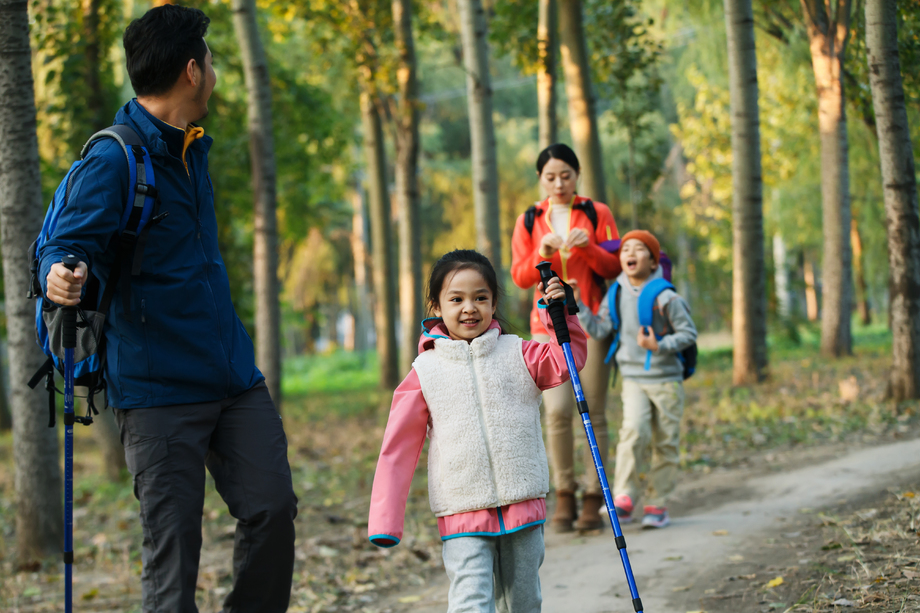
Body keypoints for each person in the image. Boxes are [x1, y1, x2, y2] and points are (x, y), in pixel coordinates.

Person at [39, 6, 297, 611]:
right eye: (210, 59)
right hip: (157, 393)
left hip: (232, 377)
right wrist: (59, 272)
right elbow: (63, 244)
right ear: (191, 70)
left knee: (272, 510)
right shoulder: (113, 160)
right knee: (173, 559)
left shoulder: (190, 146)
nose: (214, 70)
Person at [368, 250, 587, 613]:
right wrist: (385, 520)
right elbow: (397, 450)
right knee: (470, 602)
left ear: (494, 303)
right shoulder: (425, 372)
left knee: (523, 602)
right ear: (436, 306)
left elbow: (567, 362)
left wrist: (560, 316)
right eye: (456, 299)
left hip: (522, 502)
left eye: (480, 298)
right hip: (461, 509)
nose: (469, 308)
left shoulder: (520, 354)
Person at [510, 143, 622, 532]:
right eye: (550, 177)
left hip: (590, 324)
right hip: (546, 327)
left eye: (566, 175)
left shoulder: (597, 213)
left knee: (595, 411)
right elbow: (520, 276)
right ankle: (564, 493)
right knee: (557, 412)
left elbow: (614, 265)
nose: (558, 183)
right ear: (540, 179)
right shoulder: (529, 220)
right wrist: (541, 253)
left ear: (577, 175)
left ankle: (594, 495)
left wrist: (589, 248)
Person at [575, 230, 697, 529]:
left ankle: (657, 502)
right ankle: (625, 497)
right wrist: (577, 305)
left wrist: (660, 345)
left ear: (653, 262)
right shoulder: (615, 293)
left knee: (665, 442)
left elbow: (688, 333)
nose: (630, 252)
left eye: (640, 249)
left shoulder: (666, 297)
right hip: (633, 378)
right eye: (625, 248)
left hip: (666, 380)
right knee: (633, 432)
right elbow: (600, 329)